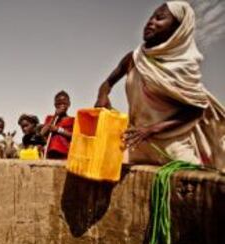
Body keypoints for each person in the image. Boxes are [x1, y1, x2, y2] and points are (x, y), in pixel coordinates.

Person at [95, 1, 225, 170]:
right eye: (151, 17)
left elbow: (196, 110)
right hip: (137, 145)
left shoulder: (184, 66)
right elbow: (107, 83)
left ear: (177, 30)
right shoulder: (134, 58)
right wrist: (102, 96)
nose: (151, 22)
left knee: (190, 187)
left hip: (171, 148)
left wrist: (151, 129)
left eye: (160, 18)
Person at [41, 91, 74, 159]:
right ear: (55, 105)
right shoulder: (50, 118)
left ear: (69, 104)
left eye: (64, 103)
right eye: (59, 104)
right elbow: (42, 133)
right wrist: (55, 116)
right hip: (50, 153)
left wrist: (58, 130)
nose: (61, 106)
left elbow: (73, 136)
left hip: (65, 153)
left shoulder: (72, 120)